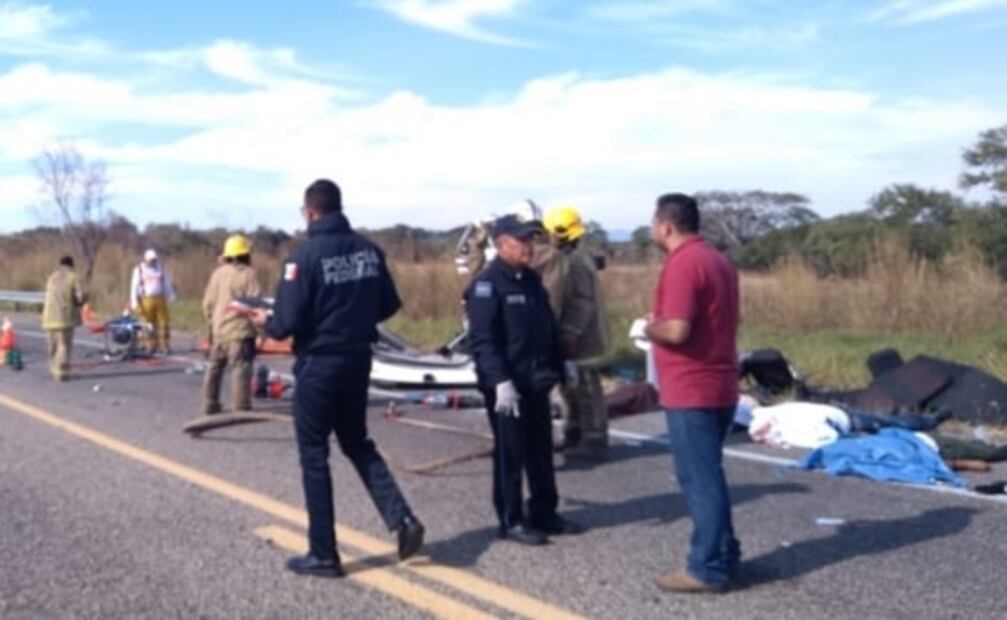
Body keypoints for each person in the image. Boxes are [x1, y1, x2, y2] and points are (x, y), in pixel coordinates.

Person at [250, 179, 424, 578]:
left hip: (319, 365)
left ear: (310, 212)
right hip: (358, 361)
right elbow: (387, 305)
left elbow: (286, 323)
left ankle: (324, 554)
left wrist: (266, 322)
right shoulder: (369, 250)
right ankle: (403, 519)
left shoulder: (303, 258)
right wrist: (351, 319)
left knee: (314, 456)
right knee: (357, 443)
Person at [464, 214, 582, 546]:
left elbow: (547, 328)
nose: (529, 247)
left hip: (536, 380)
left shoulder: (531, 280)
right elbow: (483, 340)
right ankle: (511, 518)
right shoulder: (487, 286)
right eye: (521, 241)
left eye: (531, 240)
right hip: (507, 386)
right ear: (501, 245)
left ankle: (544, 512)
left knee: (540, 451)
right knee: (510, 455)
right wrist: (500, 380)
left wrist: (563, 361)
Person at [644, 193, 741, 593]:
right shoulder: (719, 261)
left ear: (666, 225)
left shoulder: (683, 264)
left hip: (692, 386)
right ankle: (726, 553)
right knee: (710, 476)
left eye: (654, 222)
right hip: (720, 381)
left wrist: (648, 327)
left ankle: (707, 567)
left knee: (700, 481)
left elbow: (678, 330)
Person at [541, 205, 611, 460]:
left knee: (586, 389)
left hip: (582, 339)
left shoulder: (574, 262)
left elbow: (581, 303)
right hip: (579, 336)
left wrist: (569, 335)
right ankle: (574, 432)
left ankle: (593, 438)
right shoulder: (574, 258)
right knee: (570, 388)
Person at [201, 234, 262, 415]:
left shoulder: (217, 274)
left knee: (214, 367)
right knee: (240, 368)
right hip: (240, 332)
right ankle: (241, 407)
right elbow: (255, 305)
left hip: (219, 331)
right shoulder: (248, 275)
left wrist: (211, 328)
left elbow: (207, 304)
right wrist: (260, 331)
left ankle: (210, 403)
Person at [42, 256, 87, 381]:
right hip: (64, 318)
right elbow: (80, 296)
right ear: (71, 265)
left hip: (48, 318)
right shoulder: (73, 277)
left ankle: (53, 369)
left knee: (53, 346)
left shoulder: (52, 277)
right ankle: (61, 373)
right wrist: (83, 301)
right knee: (64, 346)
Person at [129, 248, 177, 354]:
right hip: (146, 300)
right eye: (150, 260)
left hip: (160, 299)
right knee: (148, 324)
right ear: (145, 259)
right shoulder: (139, 270)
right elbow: (134, 287)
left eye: (154, 260)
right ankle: (150, 345)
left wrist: (171, 295)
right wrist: (134, 302)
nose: (153, 262)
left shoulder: (161, 269)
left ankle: (164, 345)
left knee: (163, 323)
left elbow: (166, 283)